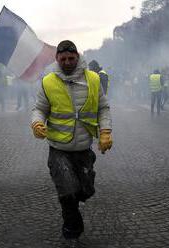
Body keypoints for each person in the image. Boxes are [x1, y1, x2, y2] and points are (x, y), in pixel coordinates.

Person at [31, 40, 113, 246]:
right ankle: (71, 232)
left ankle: (79, 196)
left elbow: (103, 108)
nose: (67, 62)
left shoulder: (93, 79)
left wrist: (105, 131)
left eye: (71, 58)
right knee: (67, 191)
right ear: (57, 59)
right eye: (63, 59)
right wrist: (37, 122)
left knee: (84, 190)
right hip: (58, 148)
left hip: (84, 147)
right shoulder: (48, 81)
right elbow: (39, 108)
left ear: (77, 56)